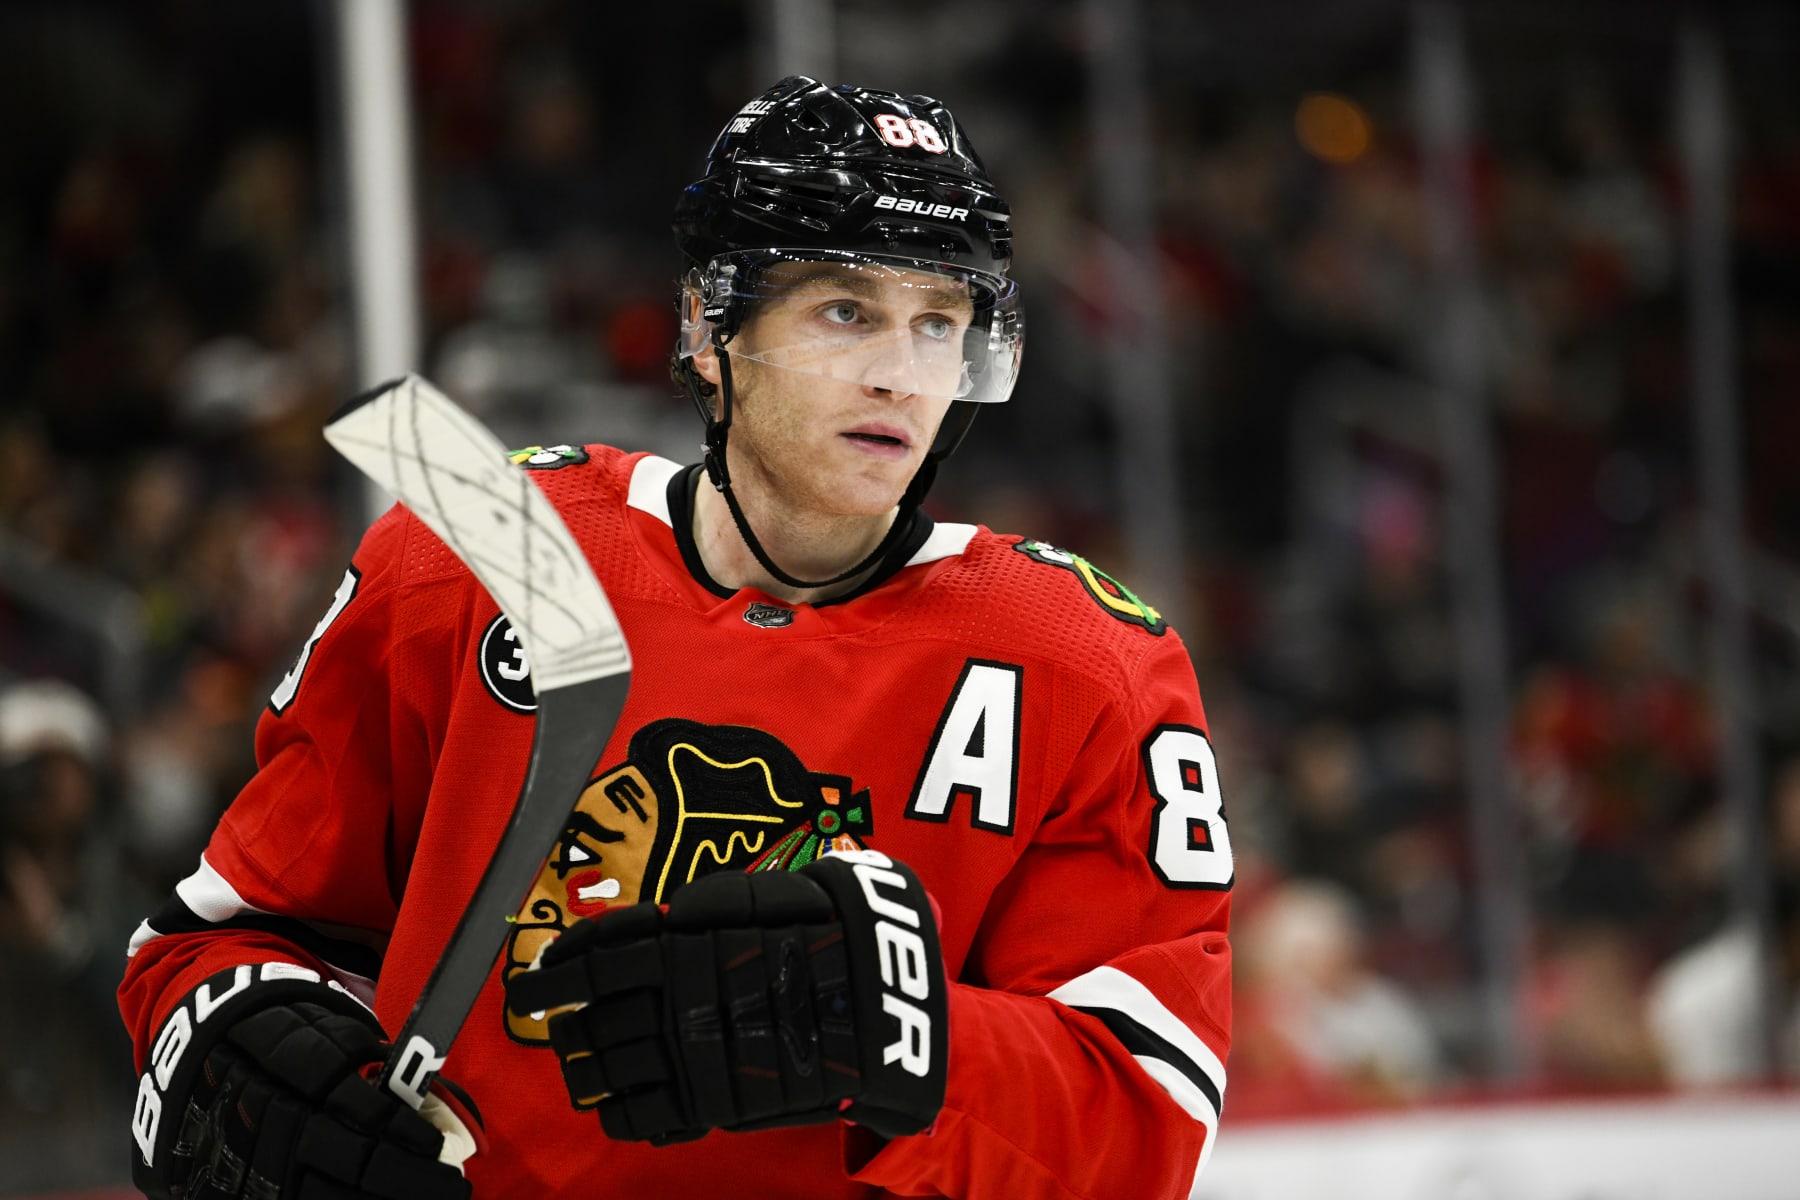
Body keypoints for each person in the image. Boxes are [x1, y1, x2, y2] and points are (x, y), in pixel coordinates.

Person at [119, 76, 1233, 1200]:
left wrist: (911, 1043)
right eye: (845, 311)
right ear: (711, 327)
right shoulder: (476, 546)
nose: (900, 372)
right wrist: (247, 1052)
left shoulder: (1087, 662)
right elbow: (216, 942)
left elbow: (1153, 1123)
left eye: (939, 322)